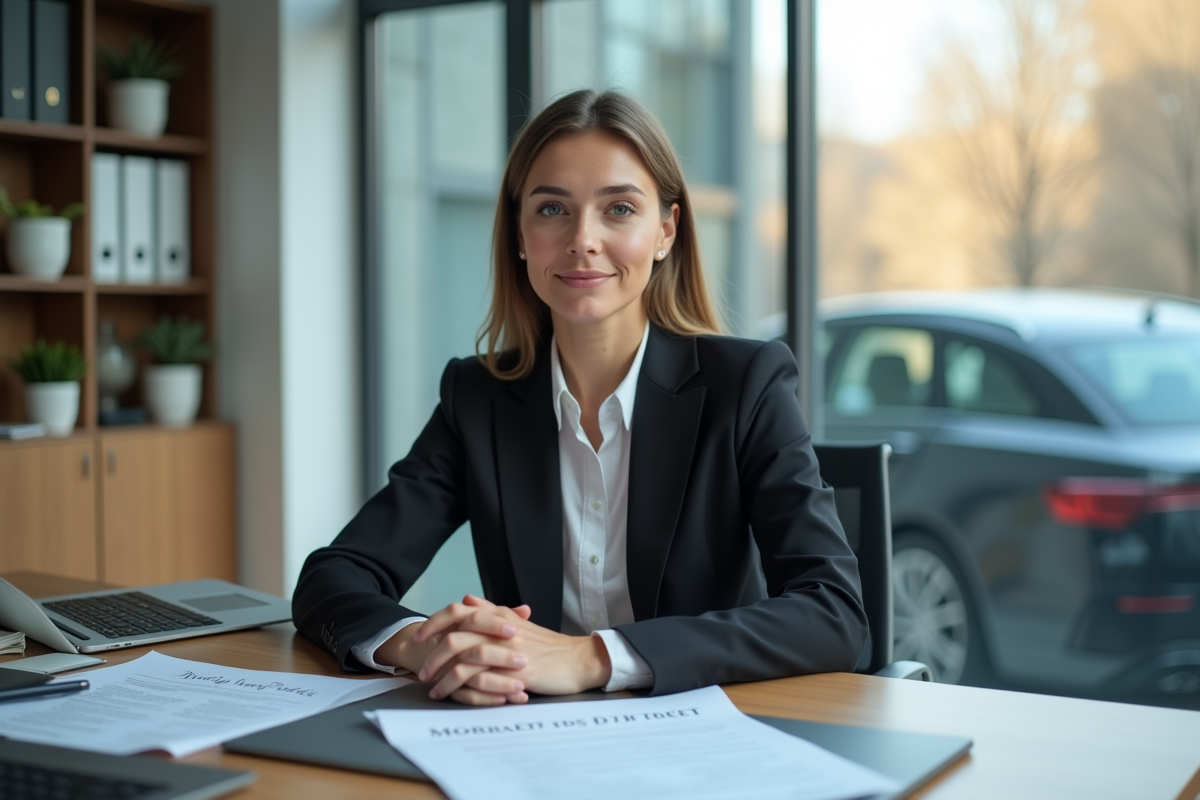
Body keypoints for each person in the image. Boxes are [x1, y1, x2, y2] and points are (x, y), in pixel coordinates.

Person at [292, 89, 867, 706]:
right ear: (519, 232)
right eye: (551, 210)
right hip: (529, 732)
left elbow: (832, 612)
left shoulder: (745, 384)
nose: (582, 240)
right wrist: (424, 644)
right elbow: (333, 576)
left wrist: (590, 656)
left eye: (619, 209)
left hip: (706, 729)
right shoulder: (479, 398)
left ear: (666, 231)